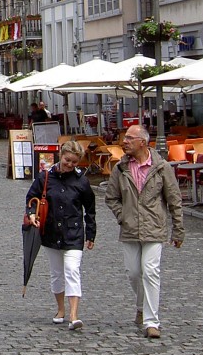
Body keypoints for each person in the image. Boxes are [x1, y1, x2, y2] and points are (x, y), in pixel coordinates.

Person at [104, 124, 184, 339]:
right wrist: (123, 216)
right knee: (133, 273)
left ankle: (152, 321)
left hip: (154, 227)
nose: (125, 141)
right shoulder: (120, 168)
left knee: (150, 272)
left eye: (130, 138)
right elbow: (111, 197)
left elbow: (174, 200)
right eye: (125, 137)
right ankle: (141, 306)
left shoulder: (161, 167)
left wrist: (178, 230)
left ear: (143, 142)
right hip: (130, 228)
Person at [26, 141, 96, 328]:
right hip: (50, 232)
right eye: (67, 160)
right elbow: (31, 198)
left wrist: (91, 234)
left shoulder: (81, 181)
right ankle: (60, 308)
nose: (70, 165)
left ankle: (74, 314)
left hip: (74, 233)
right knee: (57, 273)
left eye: (74, 162)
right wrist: (31, 214)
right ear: (60, 156)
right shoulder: (45, 177)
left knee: (72, 270)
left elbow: (90, 209)